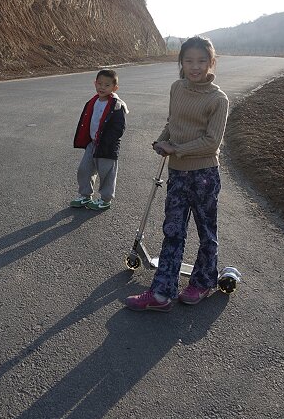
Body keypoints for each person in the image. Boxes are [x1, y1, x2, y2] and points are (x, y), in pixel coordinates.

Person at [125, 36, 229, 311]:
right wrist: (161, 141)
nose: (195, 67)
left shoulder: (218, 99)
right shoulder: (177, 88)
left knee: (206, 230)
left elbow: (212, 142)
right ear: (181, 62)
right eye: (189, 61)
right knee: (173, 230)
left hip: (205, 173)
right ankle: (162, 293)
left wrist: (177, 148)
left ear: (211, 62)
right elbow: (173, 122)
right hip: (177, 172)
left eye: (202, 61)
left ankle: (204, 281)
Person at [70, 69, 128, 211]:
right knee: (85, 169)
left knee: (107, 173)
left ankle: (105, 199)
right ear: (95, 83)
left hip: (107, 147)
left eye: (107, 85)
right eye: (99, 83)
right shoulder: (93, 101)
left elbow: (119, 128)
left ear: (115, 88)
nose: (102, 87)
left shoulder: (117, 105)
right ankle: (85, 195)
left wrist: (106, 141)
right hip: (92, 143)